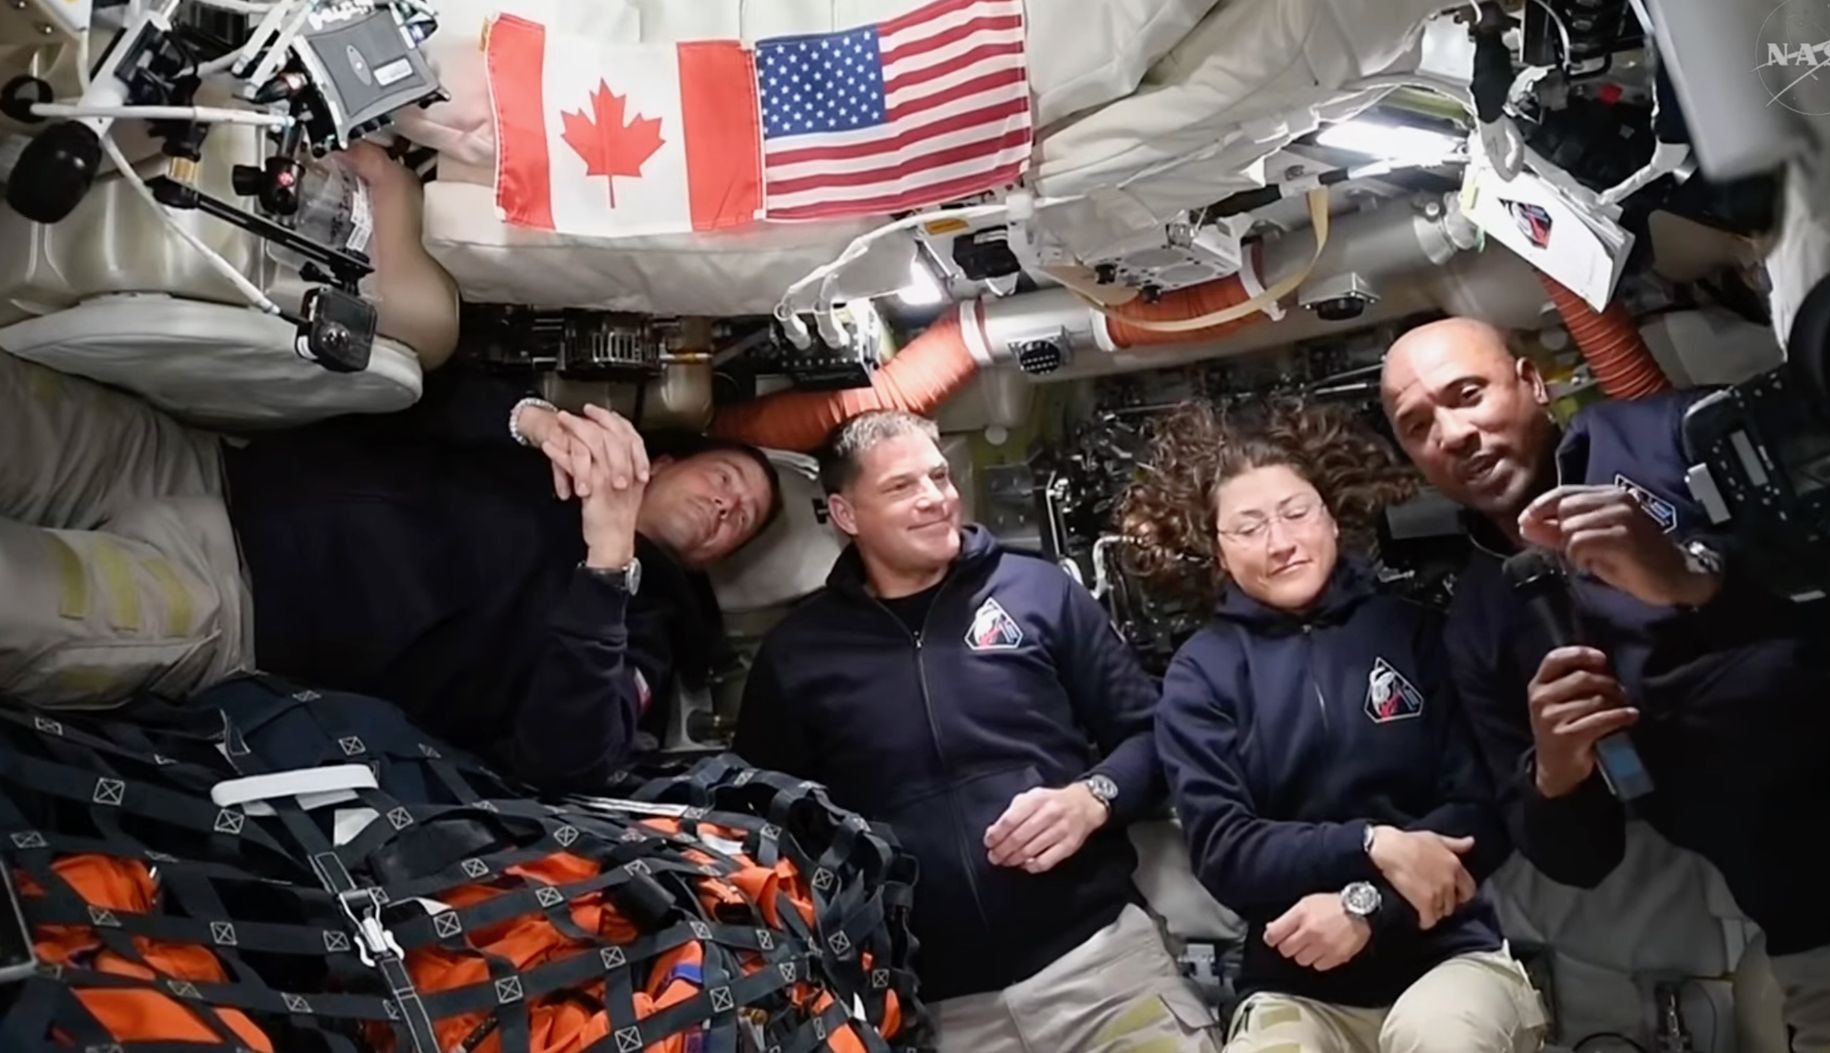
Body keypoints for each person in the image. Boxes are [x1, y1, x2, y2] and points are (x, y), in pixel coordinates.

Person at [0, 149, 779, 789]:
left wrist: (608, 561)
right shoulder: (549, 449)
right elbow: (417, 394)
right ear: (665, 460)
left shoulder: (640, 632)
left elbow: (563, 761)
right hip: (203, 464)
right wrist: (530, 420)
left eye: (740, 522)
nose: (728, 506)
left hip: (230, 608)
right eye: (726, 480)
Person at [1379, 315, 1830, 1052]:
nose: (1453, 433)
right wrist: (1558, 774)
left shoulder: (1674, 436)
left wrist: (1701, 578)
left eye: (1467, 394)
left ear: (1532, 383)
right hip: (1823, 946)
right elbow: (1576, 859)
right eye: (1418, 426)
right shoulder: (1479, 624)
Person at [732, 410, 1220, 1053]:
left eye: (939, 476)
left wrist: (1092, 798)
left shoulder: (1038, 593)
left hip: (1101, 970)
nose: (935, 498)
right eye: (901, 486)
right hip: (940, 1013)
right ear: (846, 514)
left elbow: (1156, 738)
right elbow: (759, 829)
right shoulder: (798, 657)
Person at [1121, 399, 1545, 1053]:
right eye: (1249, 527)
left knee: (1439, 1038)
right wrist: (1371, 843)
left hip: (1448, 957)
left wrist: (1365, 906)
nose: (1281, 542)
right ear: (1218, 551)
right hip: (1296, 985)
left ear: (1331, 516)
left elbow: (1480, 814)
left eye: (1296, 513)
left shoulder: (1416, 634)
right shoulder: (1200, 675)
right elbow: (1226, 849)